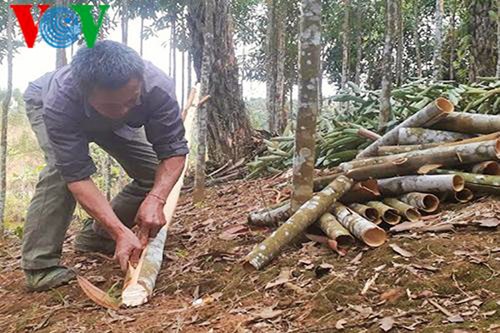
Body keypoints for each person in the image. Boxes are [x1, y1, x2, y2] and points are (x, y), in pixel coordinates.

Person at [21, 40, 188, 291]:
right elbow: (76, 175)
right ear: (86, 93)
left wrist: (157, 198)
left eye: (131, 102)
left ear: (139, 83)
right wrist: (121, 232)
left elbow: (174, 151)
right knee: (60, 171)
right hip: (47, 102)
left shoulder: (157, 87)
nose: (122, 111)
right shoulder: (60, 101)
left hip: (102, 115)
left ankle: (96, 237)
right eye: (112, 105)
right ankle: (39, 266)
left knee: (152, 172)